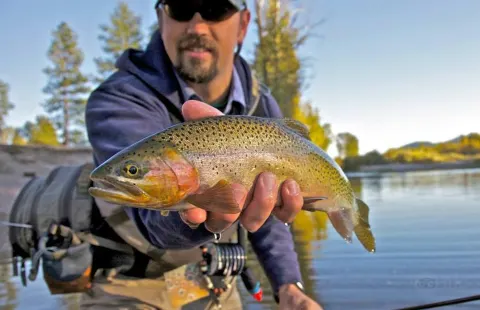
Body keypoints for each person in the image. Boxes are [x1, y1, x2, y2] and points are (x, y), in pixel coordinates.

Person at [83, 0, 323, 309]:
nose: (196, 27)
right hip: (130, 284)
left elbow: (268, 206)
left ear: (243, 24)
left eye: (216, 8)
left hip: (219, 278)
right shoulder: (119, 99)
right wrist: (197, 212)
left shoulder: (262, 105)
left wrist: (289, 286)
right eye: (181, 9)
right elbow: (150, 217)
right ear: (160, 17)